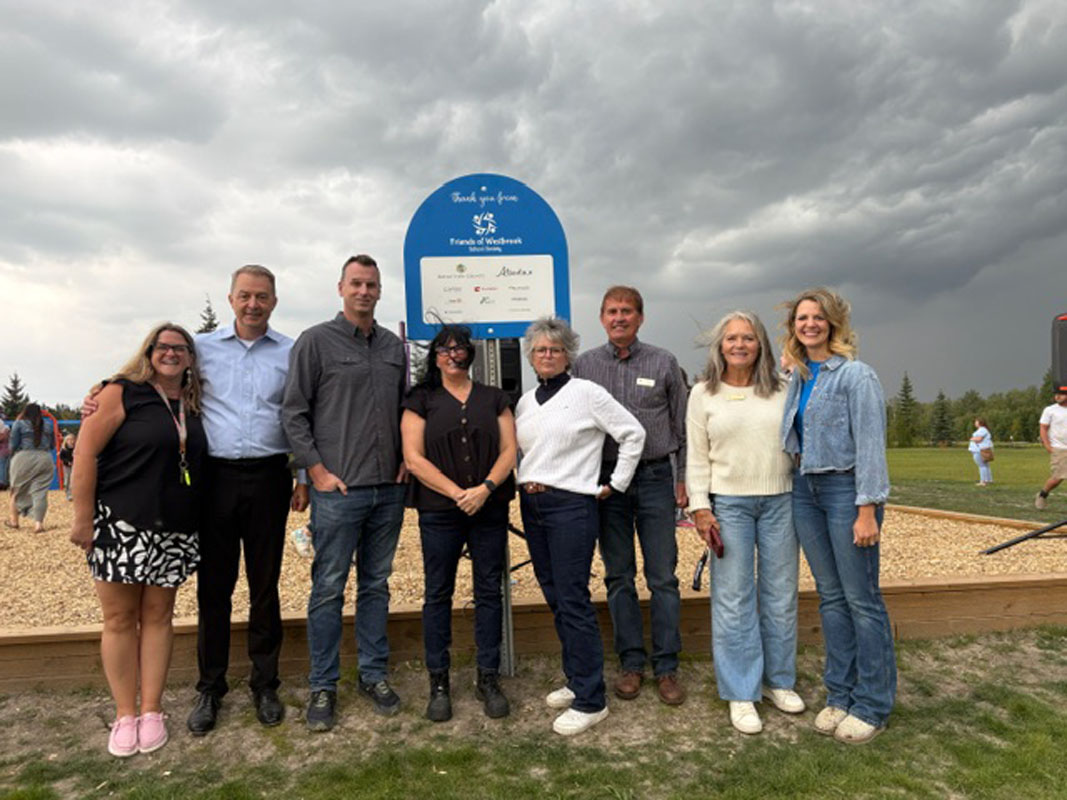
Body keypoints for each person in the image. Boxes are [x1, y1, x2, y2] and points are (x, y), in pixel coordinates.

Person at [69, 323, 207, 757]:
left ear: (189, 358)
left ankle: (152, 710)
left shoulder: (191, 403)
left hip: (175, 527)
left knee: (160, 616)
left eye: (180, 348)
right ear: (148, 351)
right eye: (162, 346)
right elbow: (86, 452)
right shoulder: (119, 392)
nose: (171, 353)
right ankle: (124, 713)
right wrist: (82, 517)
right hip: (121, 525)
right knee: (118, 620)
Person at [282, 254, 407, 732]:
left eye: (371, 284)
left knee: (376, 586)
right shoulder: (316, 342)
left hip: (387, 490)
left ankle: (372, 675)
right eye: (356, 283)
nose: (364, 291)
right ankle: (323, 684)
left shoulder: (393, 347)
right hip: (338, 489)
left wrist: (404, 460)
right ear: (340, 288)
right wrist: (313, 470)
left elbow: (404, 410)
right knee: (328, 588)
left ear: (379, 290)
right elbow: (293, 412)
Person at [187, 265, 308, 734]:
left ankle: (265, 682)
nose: (253, 304)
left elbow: (298, 415)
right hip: (214, 478)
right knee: (213, 588)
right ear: (231, 298)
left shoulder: (291, 352)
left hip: (269, 476)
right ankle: (210, 687)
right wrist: (101, 391)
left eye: (262, 297)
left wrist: (300, 476)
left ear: (274, 301)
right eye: (244, 296)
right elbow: (154, 372)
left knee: (264, 584)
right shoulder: (201, 348)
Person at [515, 316, 645, 736]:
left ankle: (592, 700)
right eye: (540, 350)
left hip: (571, 505)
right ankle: (577, 678)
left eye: (555, 349)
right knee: (554, 595)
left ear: (568, 354)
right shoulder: (526, 401)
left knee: (572, 598)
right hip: (532, 503)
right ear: (531, 356)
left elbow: (633, 433)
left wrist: (615, 484)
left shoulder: (587, 393)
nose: (547, 355)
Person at [779, 287, 895, 745]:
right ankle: (840, 693)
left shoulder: (856, 376)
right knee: (830, 598)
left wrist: (867, 509)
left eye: (818, 317)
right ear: (794, 327)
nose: (810, 324)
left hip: (847, 490)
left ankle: (872, 703)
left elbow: (870, 444)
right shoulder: (799, 378)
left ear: (833, 323)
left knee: (862, 600)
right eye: (802, 318)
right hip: (806, 490)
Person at [686, 311, 802, 735]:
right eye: (731, 338)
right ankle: (741, 690)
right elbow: (696, 456)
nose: (739, 345)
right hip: (729, 505)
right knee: (734, 599)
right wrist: (699, 507)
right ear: (720, 346)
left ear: (761, 345)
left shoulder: (785, 388)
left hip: (782, 500)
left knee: (780, 594)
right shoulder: (703, 394)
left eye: (748, 338)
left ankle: (778, 681)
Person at [572, 286, 688, 704]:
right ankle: (631, 663)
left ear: (641, 318)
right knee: (619, 576)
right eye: (612, 312)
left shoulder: (664, 362)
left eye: (627, 311)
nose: (619, 318)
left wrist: (683, 479)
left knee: (663, 577)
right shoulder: (584, 367)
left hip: (656, 477)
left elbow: (683, 426)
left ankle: (668, 667)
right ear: (601, 318)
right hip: (607, 484)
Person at [401, 324, 516, 722]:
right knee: (438, 593)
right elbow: (413, 458)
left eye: (460, 349)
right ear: (434, 356)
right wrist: (456, 493)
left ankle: (488, 676)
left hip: (489, 506)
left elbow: (510, 450)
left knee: (488, 590)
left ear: (470, 354)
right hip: (439, 510)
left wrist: (484, 489)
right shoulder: (420, 400)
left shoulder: (494, 398)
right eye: (445, 349)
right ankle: (439, 681)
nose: (453, 355)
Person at [7, 403, 56, 533]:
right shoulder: (49, 425)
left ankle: (14, 521)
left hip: (24, 457)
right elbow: (52, 445)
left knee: (16, 490)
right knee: (40, 492)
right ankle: (38, 524)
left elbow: (13, 444)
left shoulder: (19, 424)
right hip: (45, 458)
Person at [1036, 389, 1067, 509]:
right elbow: (1043, 428)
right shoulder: (1050, 410)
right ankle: (1042, 494)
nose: (1058, 396)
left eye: (1062, 394)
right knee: (1057, 478)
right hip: (1059, 448)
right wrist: (1048, 445)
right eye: (1056, 394)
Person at [968, 418, 994, 486]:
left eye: (976, 422)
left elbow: (979, 439)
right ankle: (988, 479)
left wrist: (972, 439)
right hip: (980, 449)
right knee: (985, 465)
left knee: (981, 465)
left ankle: (983, 481)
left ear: (980, 423)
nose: (975, 423)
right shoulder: (983, 430)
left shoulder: (982, 430)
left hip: (979, 450)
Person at [60, 433, 76, 501]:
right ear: (66, 441)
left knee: (74, 480)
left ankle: (74, 494)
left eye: (72, 439)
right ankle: (68, 494)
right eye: (69, 440)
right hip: (67, 466)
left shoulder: (75, 448)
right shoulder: (64, 449)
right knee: (68, 480)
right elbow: (62, 457)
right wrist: (67, 462)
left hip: (75, 466)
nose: (70, 441)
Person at [0, 416, 12, 491]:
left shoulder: (1, 423)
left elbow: (2, 437)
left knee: (2, 466)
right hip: (6, 450)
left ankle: (3, 484)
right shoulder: (3, 424)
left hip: (3, 451)